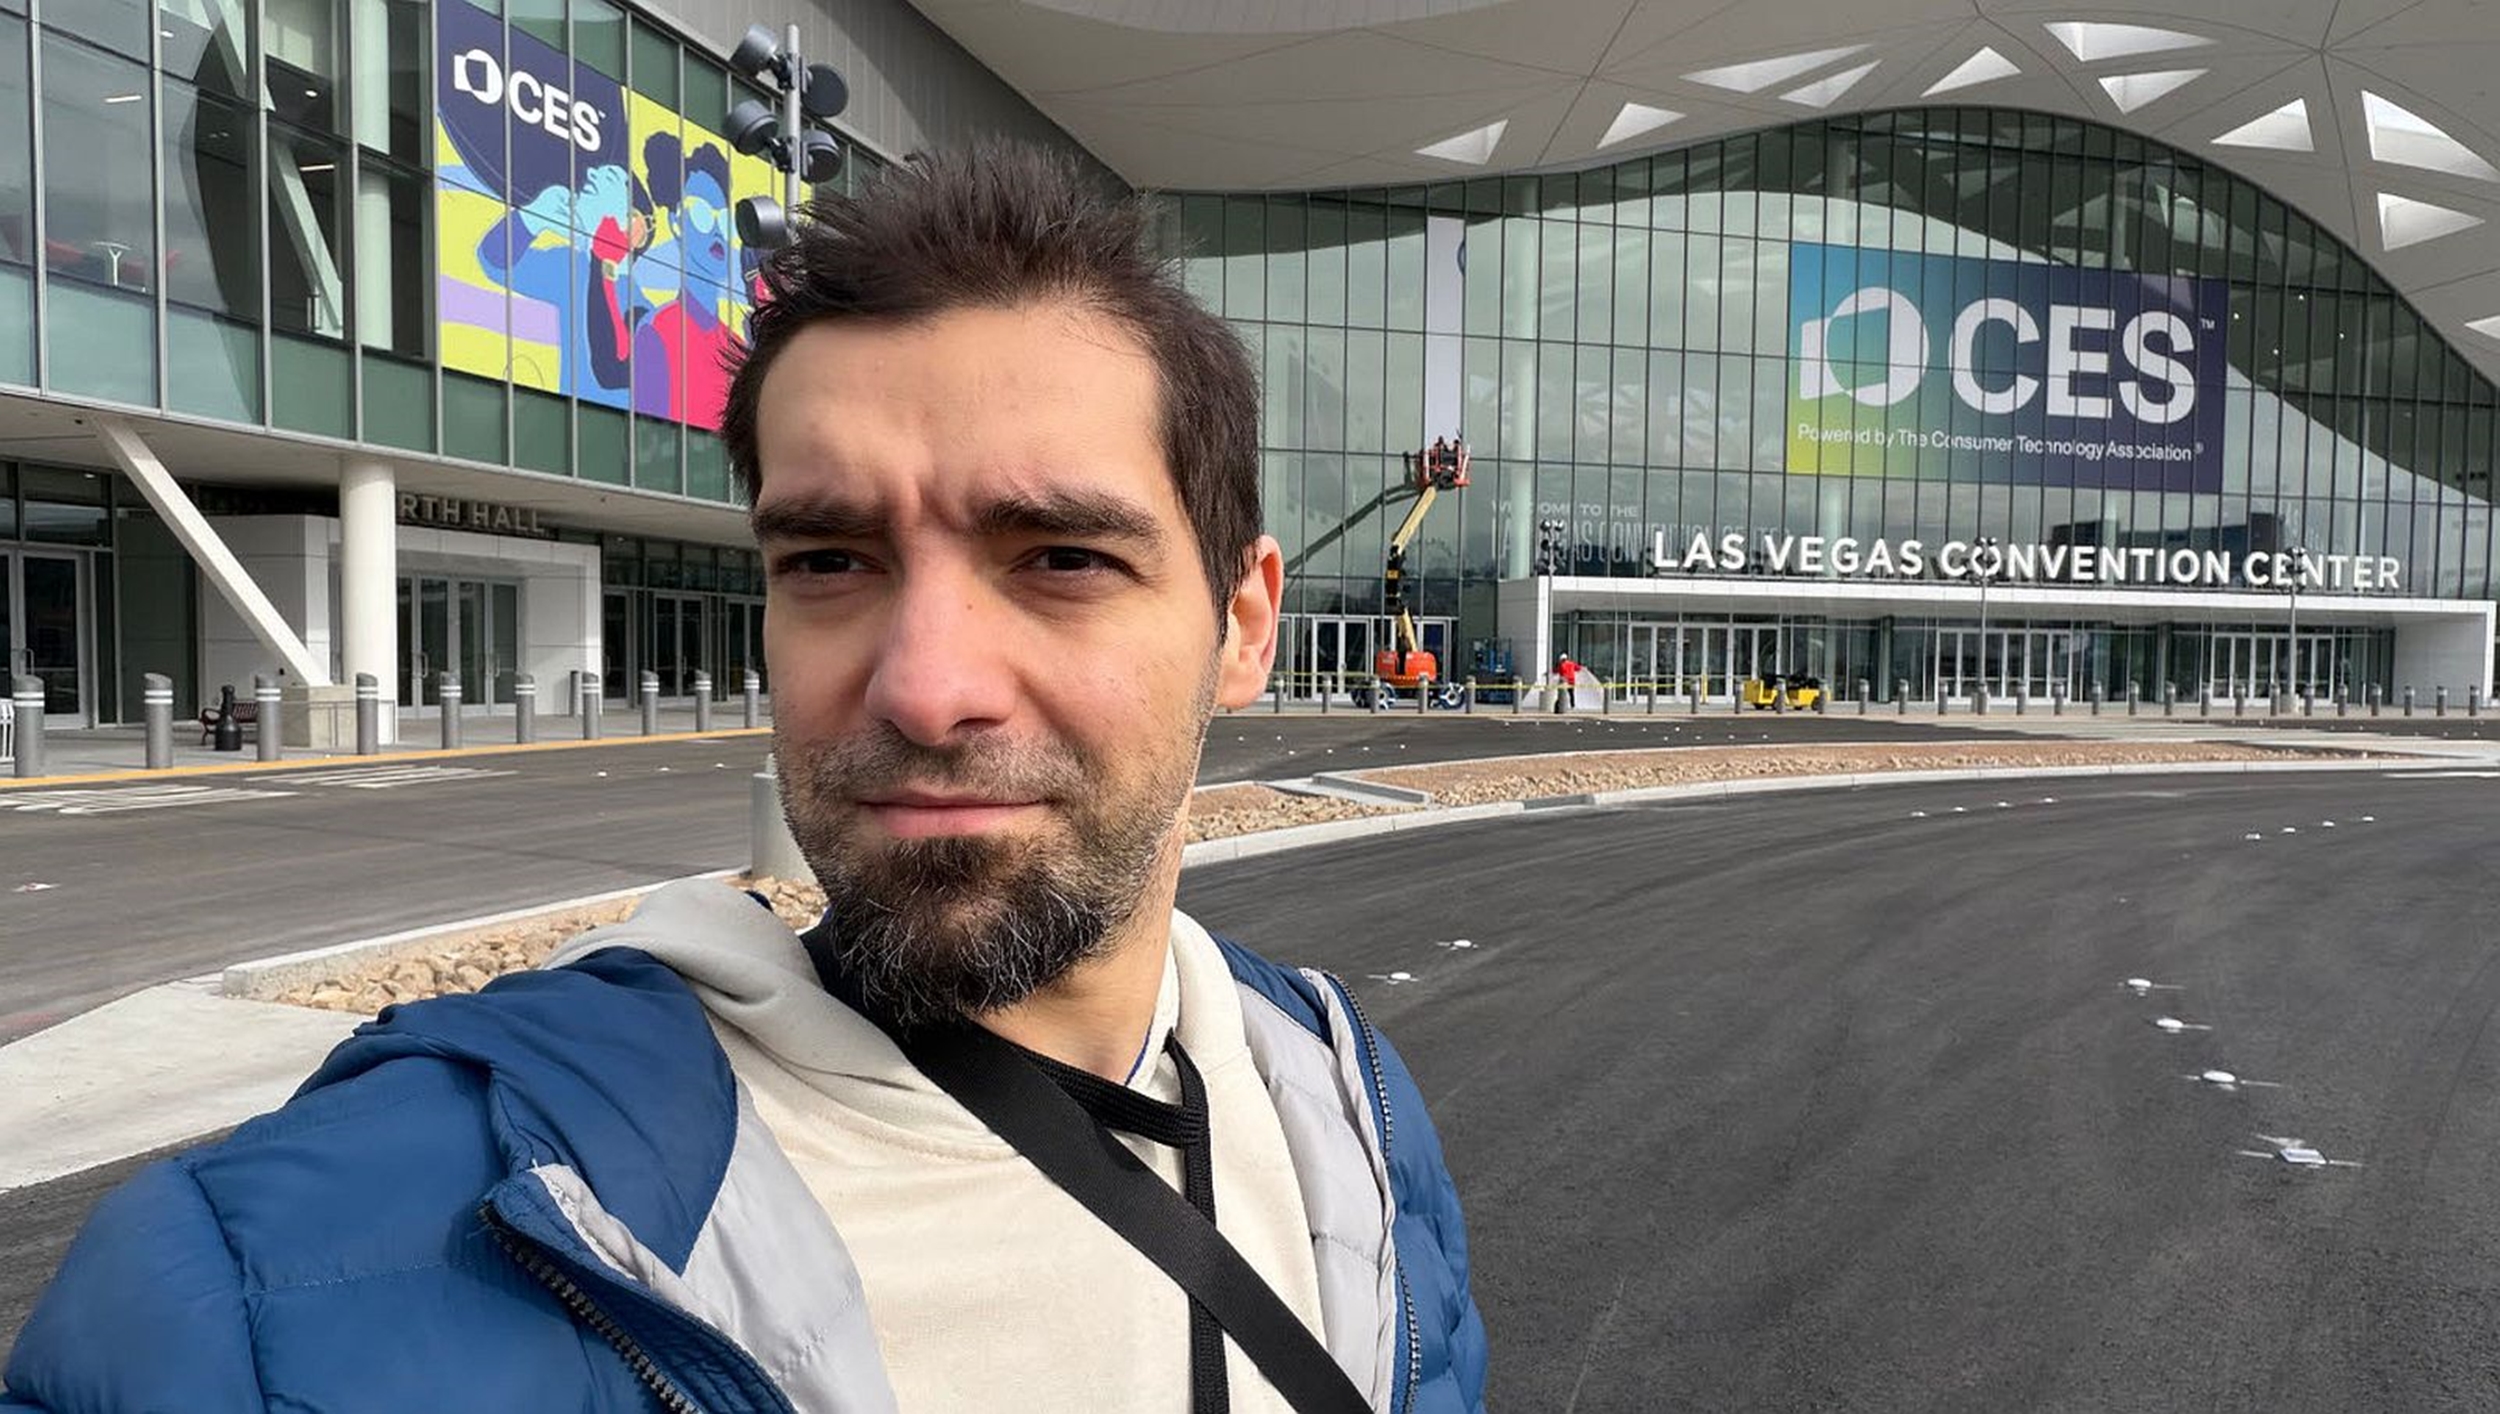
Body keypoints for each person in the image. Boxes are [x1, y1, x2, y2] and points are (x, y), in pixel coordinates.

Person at [1, 143, 1486, 1414]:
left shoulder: (1341, 1113)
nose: (923, 685)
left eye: (1060, 558)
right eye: (830, 560)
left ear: (1242, 623)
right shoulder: (293, 1280)